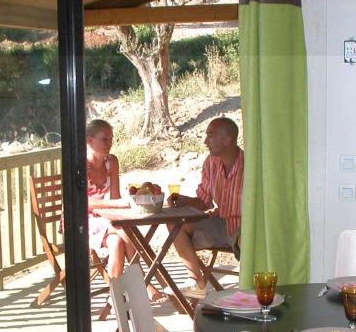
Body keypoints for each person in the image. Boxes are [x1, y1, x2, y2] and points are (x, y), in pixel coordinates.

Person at [84, 119, 166, 303]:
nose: (109, 144)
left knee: (117, 243)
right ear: (89, 140)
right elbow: (81, 203)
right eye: (105, 139)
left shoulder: (111, 162)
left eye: (111, 139)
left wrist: (123, 205)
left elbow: (114, 198)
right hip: (79, 222)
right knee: (124, 230)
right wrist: (119, 205)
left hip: (102, 218)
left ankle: (114, 297)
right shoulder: (79, 166)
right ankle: (146, 281)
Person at [171, 116, 243, 298]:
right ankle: (197, 282)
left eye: (210, 136)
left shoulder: (250, 165)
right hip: (221, 225)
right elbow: (204, 201)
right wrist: (184, 200)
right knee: (175, 225)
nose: (205, 141)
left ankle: (249, 291)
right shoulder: (210, 163)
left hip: (245, 227)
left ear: (227, 140)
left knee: (245, 238)